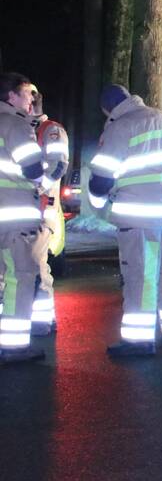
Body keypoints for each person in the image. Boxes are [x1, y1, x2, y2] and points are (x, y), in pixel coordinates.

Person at [88, 84, 162, 357]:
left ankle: (139, 340)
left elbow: (100, 180)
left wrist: (99, 206)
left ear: (108, 109)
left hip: (137, 218)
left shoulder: (119, 127)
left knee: (140, 277)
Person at [0, 73, 49, 363]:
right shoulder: (15, 124)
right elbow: (32, 167)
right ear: (11, 97)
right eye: (27, 94)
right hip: (14, 218)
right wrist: (44, 182)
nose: (31, 99)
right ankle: (15, 346)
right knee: (21, 277)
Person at [29, 84, 68, 334]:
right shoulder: (17, 128)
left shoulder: (50, 130)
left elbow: (57, 167)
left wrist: (35, 190)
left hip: (41, 209)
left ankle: (43, 320)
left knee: (36, 265)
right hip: (22, 210)